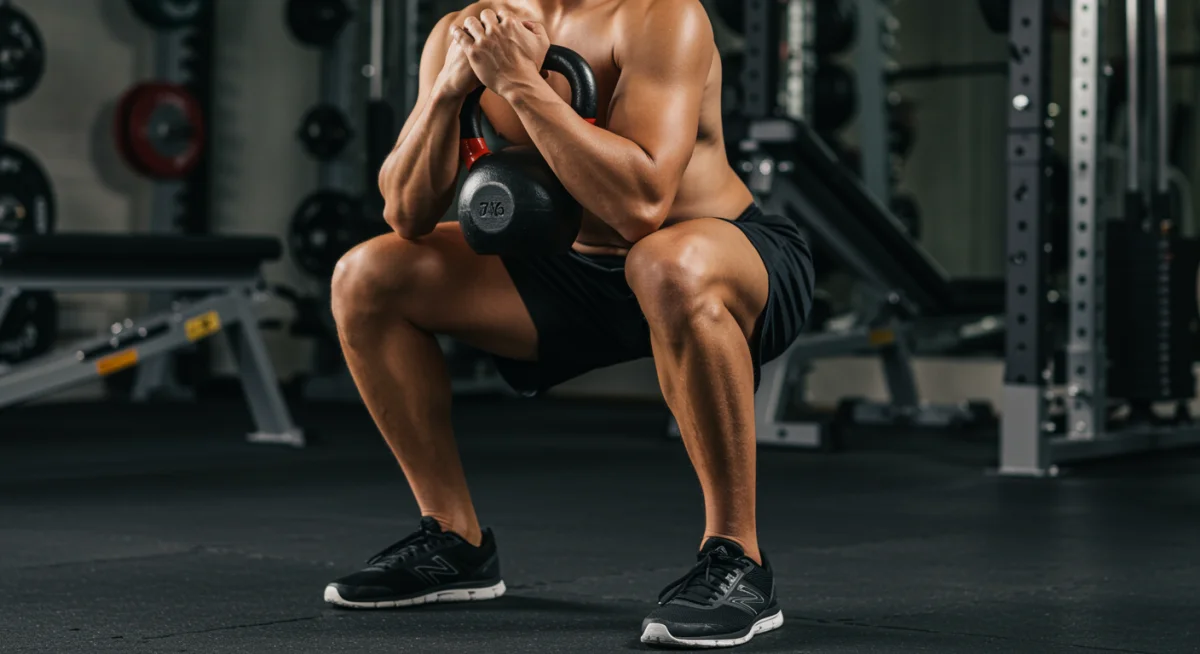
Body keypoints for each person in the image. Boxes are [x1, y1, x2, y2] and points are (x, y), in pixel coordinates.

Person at [325, 0, 814, 648]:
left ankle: (738, 561)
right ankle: (453, 540)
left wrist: (521, 85)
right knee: (367, 276)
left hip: (714, 255)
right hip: (569, 271)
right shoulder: (464, 31)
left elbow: (640, 205)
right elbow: (405, 210)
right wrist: (449, 89)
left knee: (661, 264)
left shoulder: (659, 16)